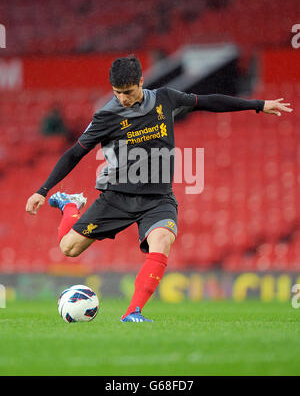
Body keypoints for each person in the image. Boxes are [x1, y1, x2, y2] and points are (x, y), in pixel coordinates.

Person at [25, 56, 293, 322]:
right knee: (69, 249)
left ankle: (133, 312)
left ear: (141, 81)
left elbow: (208, 101)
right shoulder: (106, 116)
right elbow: (73, 154)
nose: (124, 99)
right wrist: (43, 190)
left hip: (158, 198)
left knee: (162, 241)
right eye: (118, 93)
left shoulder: (165, 98)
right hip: (117, 196)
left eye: (128, 92)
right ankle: (68, 204)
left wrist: (258, 105)